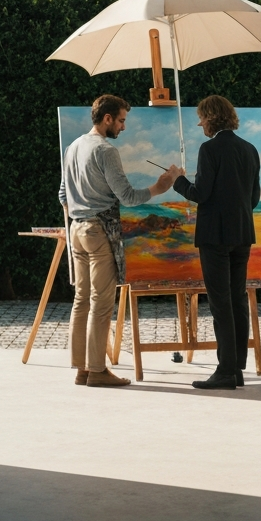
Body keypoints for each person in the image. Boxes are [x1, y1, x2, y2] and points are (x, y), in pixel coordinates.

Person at [59, 94, 179, 387]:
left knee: (82, 299)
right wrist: (159, 187)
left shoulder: (73, 146)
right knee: (101, 303)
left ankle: (83, 369)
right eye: (122, 120)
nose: (124, 127)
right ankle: (98, 371)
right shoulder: (105, 150)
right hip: (100, 231)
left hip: (77, 230)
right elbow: (127, 196)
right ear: (108, 118)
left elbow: (63, 194)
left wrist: (79, 212)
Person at [172, 95, 261, 390]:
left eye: (201, 118)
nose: (199, 123)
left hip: (214, 237)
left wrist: (178, 181)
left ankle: (225, 371)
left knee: (221, 302)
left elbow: (201, 193)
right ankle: (235, 370)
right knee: (236, 299)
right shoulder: (249, 149)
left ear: (211, 118)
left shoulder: (209, 149)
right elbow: (255, 198)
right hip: (242, 234)